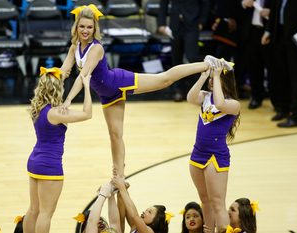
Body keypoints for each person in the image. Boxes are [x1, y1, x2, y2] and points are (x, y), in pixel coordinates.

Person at [61, 4, 220, 178]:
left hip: (118, 82)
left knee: (163, 79)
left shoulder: (96, 48)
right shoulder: (74, 48)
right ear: (76, 27)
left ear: (94, 29)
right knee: (115, 135)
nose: (85, 30)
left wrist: (68, 100)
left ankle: (208, 64)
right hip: (106, 94)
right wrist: (49, 85)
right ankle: (118, 174)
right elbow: (64, 72)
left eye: (89, 27)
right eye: (82, 26)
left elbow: (82, 76)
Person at [22, 67, 93, 233]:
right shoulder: (57, 114)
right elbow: (87, 113)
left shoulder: (38, 108)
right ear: (57, 90)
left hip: (34, 161)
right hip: (49, 165)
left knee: (34, 210)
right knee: (46, 213)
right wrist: (87, 87)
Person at [186, 58, 241, 233]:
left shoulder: (234, 104)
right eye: (211, 77)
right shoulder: (206, 97)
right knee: (205, 200)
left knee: (217, 202)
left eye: (214, 77)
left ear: (224, 80)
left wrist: (216, 75)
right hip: (198, 153)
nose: (211, 79)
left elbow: (220, 103)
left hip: (215, 156)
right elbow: (190, 97)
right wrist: (203, 77)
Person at [261, 0, 297, 127]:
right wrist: (268, 32)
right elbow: (274, 13)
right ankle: (284, 110)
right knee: (281, 76)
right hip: (279, 37)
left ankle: (296, 117)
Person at [157, 0, 210, 102]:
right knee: (176, 58)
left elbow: (205, 3)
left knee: (192, 57)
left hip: (192, 24)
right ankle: (178, 90)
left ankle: (197, 90)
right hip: (175, 23)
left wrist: (202, 22)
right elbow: (163, 4)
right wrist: (161, 23)